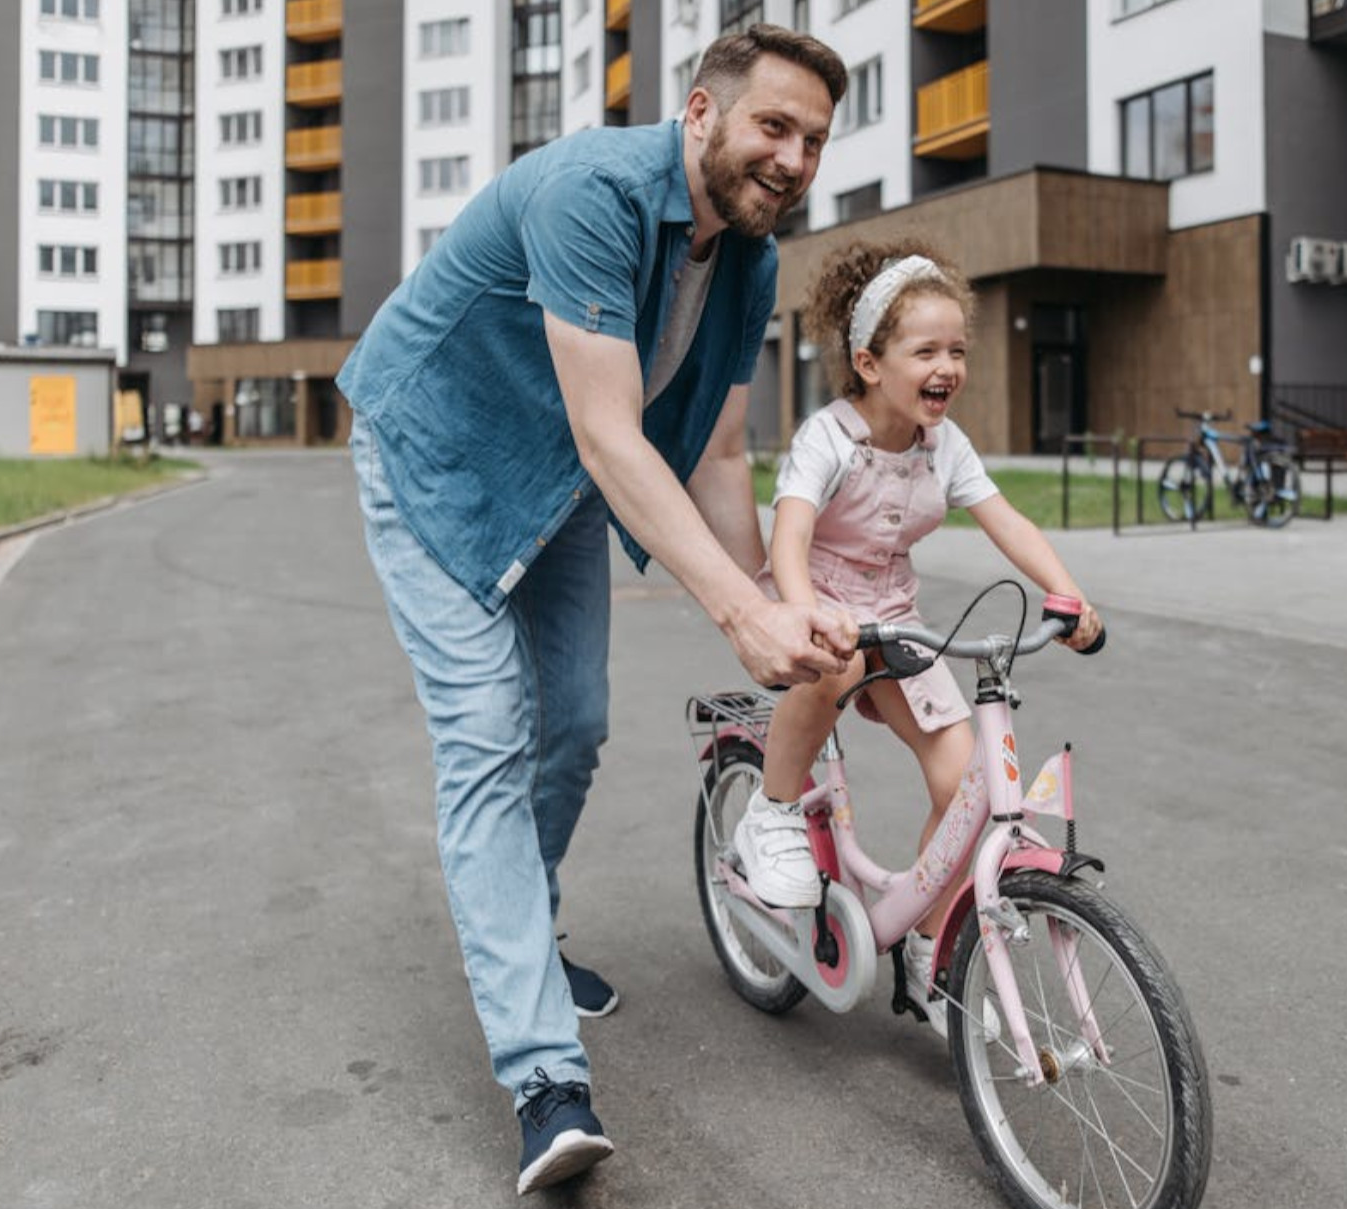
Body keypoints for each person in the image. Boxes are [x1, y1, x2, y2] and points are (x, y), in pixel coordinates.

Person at [337, 26, 850, 1195]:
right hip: (435, 454)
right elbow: (615, 432)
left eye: (815, 140)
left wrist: (783, 610)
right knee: (485, 737)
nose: (794, 158)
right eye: (775, 125)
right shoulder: (593, 193)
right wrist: (736, 619)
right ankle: (542, 1080)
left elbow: (719, 452)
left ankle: (533, 935)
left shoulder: (752, 263)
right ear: (704, 113)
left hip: (558, 476)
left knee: (573, 725)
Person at [731, 239, 1103, 1036]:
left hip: (897, 616)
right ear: (868, 362)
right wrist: (803, 611)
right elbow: (789, 535)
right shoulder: (827, 438)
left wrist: (1065, 590)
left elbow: (1005, 517)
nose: (949, 365)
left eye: (958, 349)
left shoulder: (946, 444)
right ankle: (772, 809)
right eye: (926, 349)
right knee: (826, 670)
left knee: (966, 783)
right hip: (820, 600)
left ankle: (928, 946)